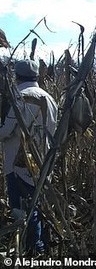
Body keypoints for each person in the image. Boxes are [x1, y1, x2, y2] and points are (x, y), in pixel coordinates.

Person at [0, 59, 58, 255]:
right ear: (36, 76)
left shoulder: (19, 98)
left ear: (16, 77)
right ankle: (38, 246)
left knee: (22, 210)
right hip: (44, 160)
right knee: (36, 204)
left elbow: (6, 131)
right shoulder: (49, 98)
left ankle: (33, 250)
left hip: (19, 163)